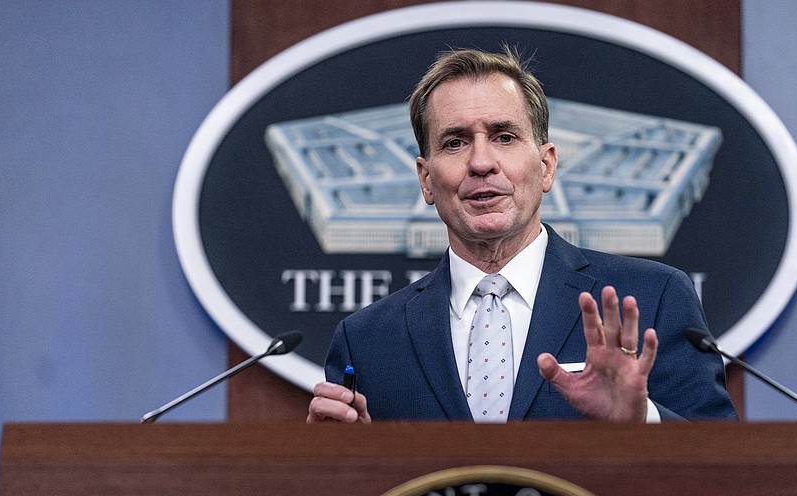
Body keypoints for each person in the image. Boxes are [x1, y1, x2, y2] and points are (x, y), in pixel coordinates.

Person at [307, 47, 737, 424]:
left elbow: (723, 470)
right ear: (426, 180)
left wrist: (641, 420)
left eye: (504, 137)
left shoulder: (652, 299)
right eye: (455, 143)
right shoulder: (366, 340)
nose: (481, 162)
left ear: (546, 166)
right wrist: (348, 458)